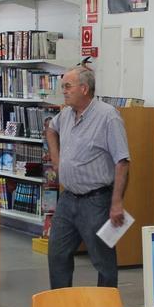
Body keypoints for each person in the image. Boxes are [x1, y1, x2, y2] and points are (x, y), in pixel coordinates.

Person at [45, 66, 130, 289]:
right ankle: (61, 305)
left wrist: (117, 202)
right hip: (68, 198)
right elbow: (50, 130)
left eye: (67, 86)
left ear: (84, 88)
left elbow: (122, 161)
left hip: (96, 201)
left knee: (103, 261)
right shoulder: (66, 114)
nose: (63, 91)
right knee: (57, 254)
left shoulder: (108, 117)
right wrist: (56, 159)